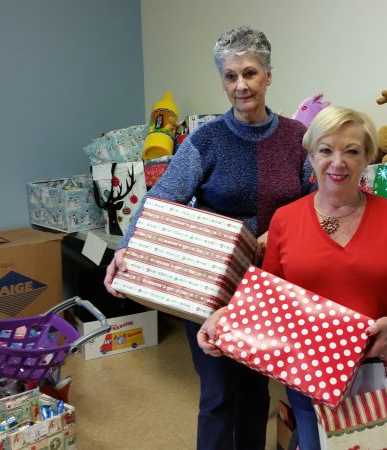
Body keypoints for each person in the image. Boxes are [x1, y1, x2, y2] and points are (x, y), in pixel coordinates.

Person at [103, 26, 314, 450]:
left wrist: (280, 231)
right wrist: (127, 246)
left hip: (269, 285)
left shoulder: (297, 139)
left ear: (269, 76)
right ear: (222, 80)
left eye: (250, 73)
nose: (241, 85)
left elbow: (317, 202)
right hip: (210, 284)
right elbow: (161, 198)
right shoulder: (205, 140)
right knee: (218, 394)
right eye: (230, 76)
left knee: (257, 393)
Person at [198, 105, 387, 450]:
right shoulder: (286, 220)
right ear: (310, 155)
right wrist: (224, 317)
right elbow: (266, 296)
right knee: (314, 443)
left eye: (352, 151)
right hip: (306, 374)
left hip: (372, 371)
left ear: (368, 157)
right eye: (326, 150)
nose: (337, 162)